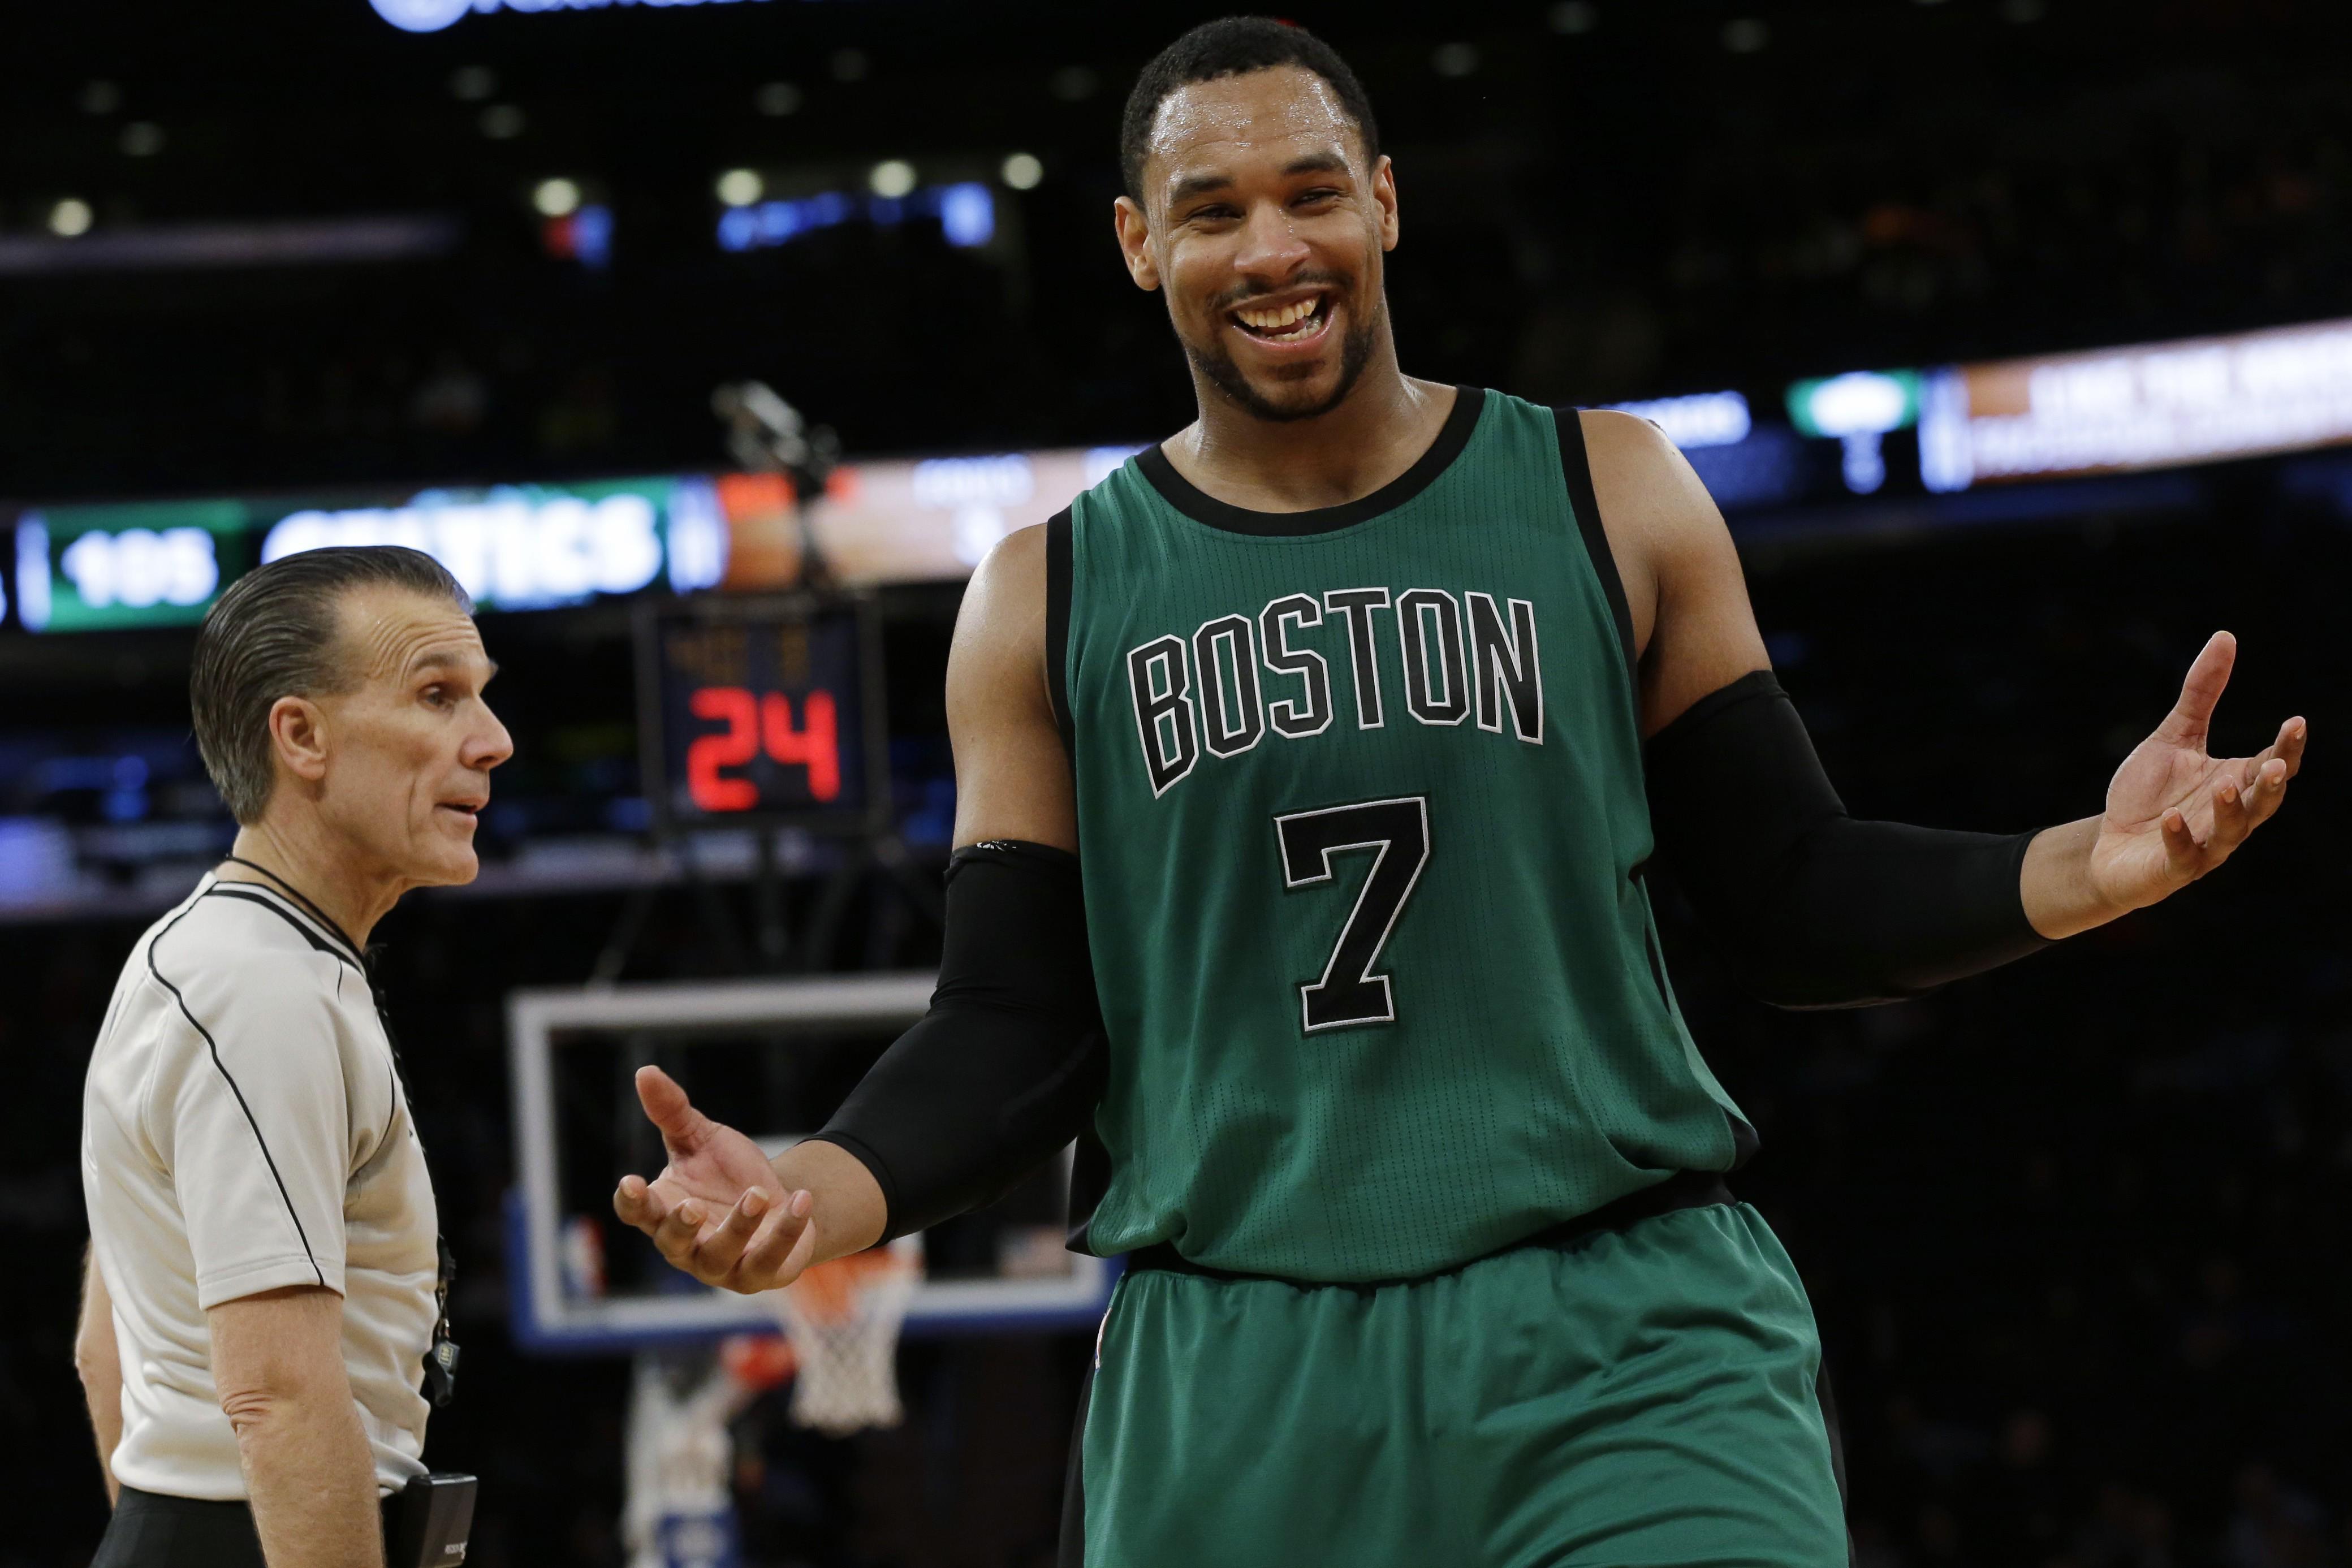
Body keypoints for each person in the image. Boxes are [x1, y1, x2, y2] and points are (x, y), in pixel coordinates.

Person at [612, 19, 2307, 1566]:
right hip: (1238, 1363)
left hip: (1624, 1326)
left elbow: (1789, 890)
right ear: (1137, 245)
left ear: (1385, 203)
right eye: (1211, 212)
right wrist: (809, 1192)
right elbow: (1014, 1023)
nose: (1272, 251)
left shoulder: (1607, 487)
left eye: (1312, 194)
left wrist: (2090, 864)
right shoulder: (1042, 596)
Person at [77, 546, 508, 1568]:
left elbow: (108, 1351)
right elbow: (278, 1396)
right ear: (302, 736)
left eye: (481, 695)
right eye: (438, 695)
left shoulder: (229, 954)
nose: (492, 740)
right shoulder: (258, 984)